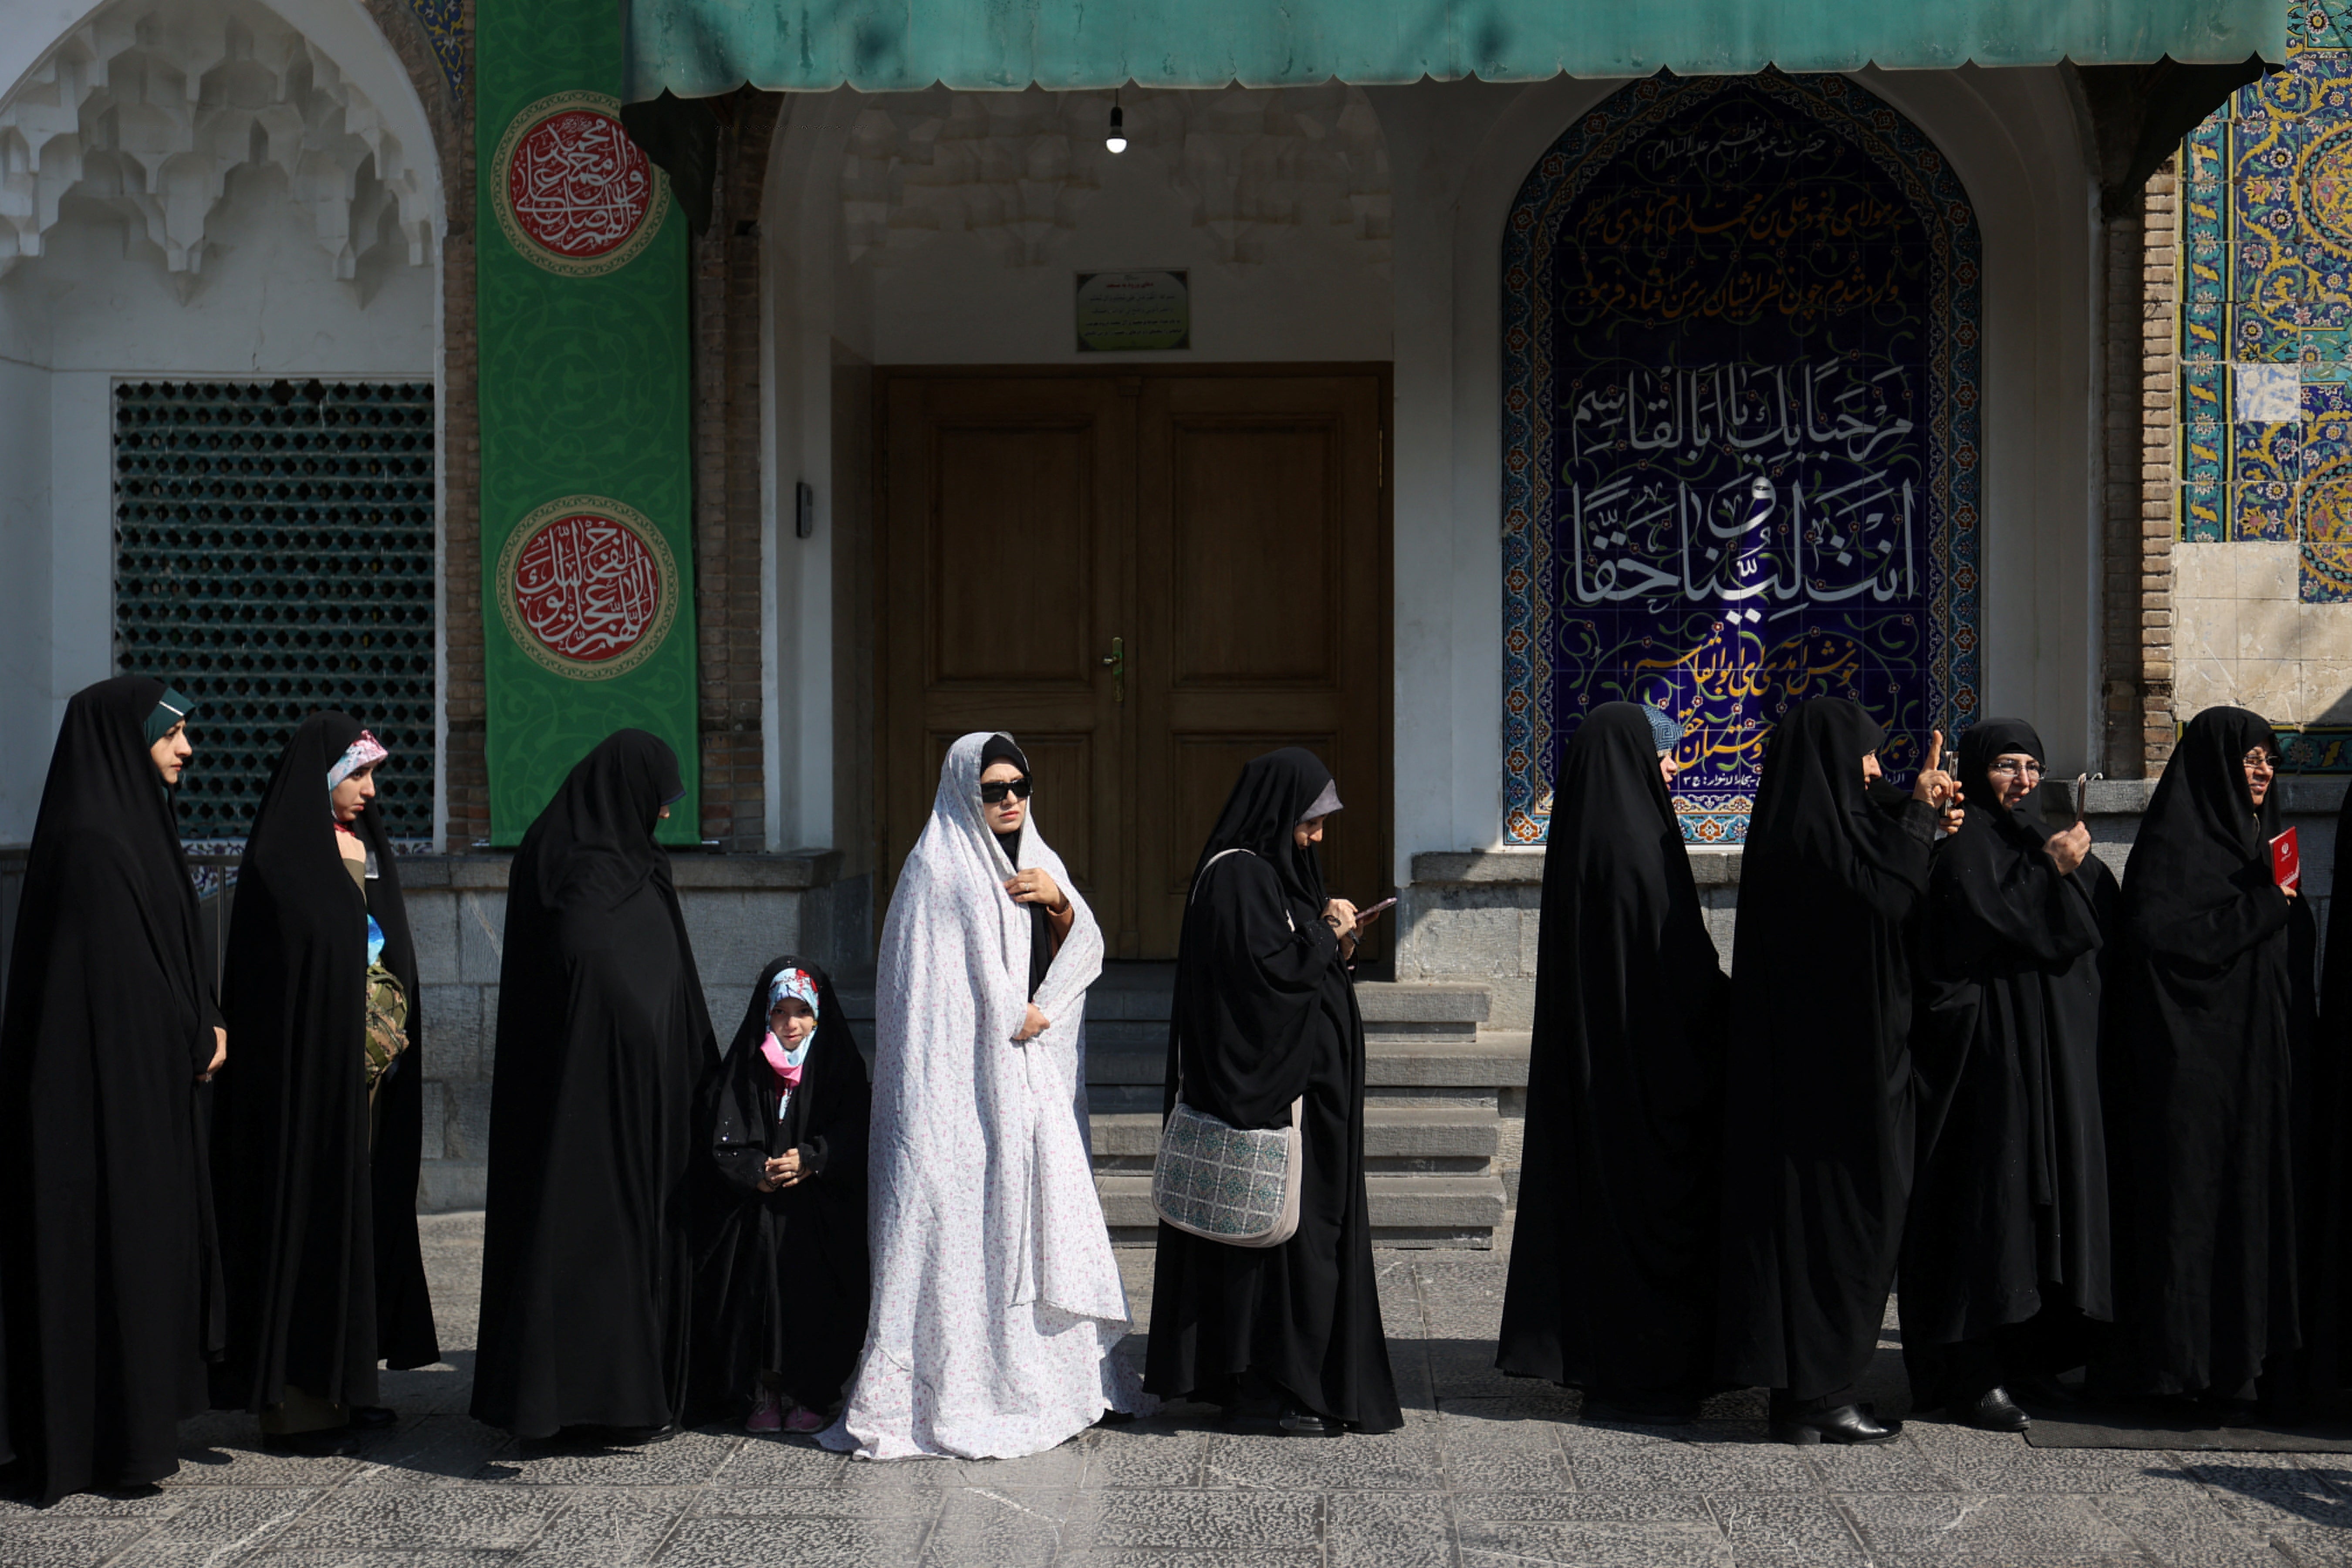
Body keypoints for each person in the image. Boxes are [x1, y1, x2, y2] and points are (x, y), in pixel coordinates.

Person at [825, 732, 1147, 1459]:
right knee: (964, 1240)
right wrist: (1012, 1017)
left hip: (1032, 1091)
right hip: (960, 1095)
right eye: (993, 789)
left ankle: (1054, 1384)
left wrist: (1058, 903)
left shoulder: (1042, 859)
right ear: (964, 790)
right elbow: (924, 1003)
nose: (1007, 801)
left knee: (1042, 1228)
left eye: (1018, 787)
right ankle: (957, 1390)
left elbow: (1083, 947)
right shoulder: (933, 872)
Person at [0, 676, 227, 1503]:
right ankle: (103, 1447)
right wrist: (193, 1037)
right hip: (97, 1117)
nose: (186, 750)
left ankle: (132, 1437)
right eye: (169, 734)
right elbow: (115, 993)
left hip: (139, 1103)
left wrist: (201, 1022)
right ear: (122, 741)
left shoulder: (132, 828)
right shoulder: (94, 842)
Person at [1715, 698, 1961, 1446]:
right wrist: (1917, 818)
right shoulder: (1809, 837)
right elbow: (1884, 896)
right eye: (1865, 756)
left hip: (1843, 1070)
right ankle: (1820, 1394)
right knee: (1843, 1226)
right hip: (1834, 1084)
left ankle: (1811, 1394)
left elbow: (1883, 856)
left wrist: (1922, 812)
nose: (1875, 770)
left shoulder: (1825, 822)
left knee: (1842, 1225)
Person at [1144, 746, 1402, 1436]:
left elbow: (1291, 965)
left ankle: (1290, 1382)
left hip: (1306, 1103)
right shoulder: (1238, 879)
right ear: (1277, 813)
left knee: (1303, 1237)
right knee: (1278, 1243)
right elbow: (1262, 988)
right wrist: (1325, 936)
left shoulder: (1268, 877)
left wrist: (1332, 942)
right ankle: (1269, 1386)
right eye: (1309, 823)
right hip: (1270, 1105)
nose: (1316, 837)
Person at [471, 730, 715, 1440]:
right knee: (581, 1242)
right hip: (579, 1100)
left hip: (650, 1102)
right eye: (658, 799)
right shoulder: (562, 863)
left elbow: (673, 983)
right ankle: (573, 1402)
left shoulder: (643, 868)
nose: (665, 816)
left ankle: (642, 1394)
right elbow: (577, 975)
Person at [210, 714, 438, 1452]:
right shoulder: (284, 863)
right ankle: (298, 1402)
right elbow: (279, 982)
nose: (370, 792)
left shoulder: (367, 849)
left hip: (364, 1083)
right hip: (302, 1091)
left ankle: (351, 1385)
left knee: (360, 1223)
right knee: (305, 1223)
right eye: (358, 776)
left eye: (374, 777)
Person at [1496, 703, 1730, 1419]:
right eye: (1661, 755)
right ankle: (1649, 1376)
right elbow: (1672, 971)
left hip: (1600, 1071)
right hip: (1645, 1072)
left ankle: (1610, 1369)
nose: (1671, 769)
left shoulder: (1588, 832)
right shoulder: (1637, 845)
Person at [1901, 720, 2115, 1431]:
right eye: (2007, 767)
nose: (2022, 781)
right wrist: (2049, 871)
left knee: (2039, 1214)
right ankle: (1973, 1374)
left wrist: (2068, 868)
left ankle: (2032, 1361)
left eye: (2033, 766)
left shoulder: (2039, 841)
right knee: (1989, 1207)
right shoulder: (1965, 846)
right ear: (1977, 770)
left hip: (2048, 1064)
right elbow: (1982, 925)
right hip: (1986, 1068)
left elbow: (2088, 933)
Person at [2097, 706, 2308, 1419]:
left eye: (2270, 759)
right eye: (2248, 757)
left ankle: (2241, 1370)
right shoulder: (2175, 850)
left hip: (2255, 1074)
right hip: (2188, 1079)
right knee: (2187, 1212)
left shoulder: (2263, 848)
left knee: (2250, 1213)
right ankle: (2176, 1370)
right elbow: (2162, 943)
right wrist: (2262, 911)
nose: (2261, 770)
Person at [690, 957, 870, 1434]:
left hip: (817, 1211)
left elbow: (855, 1128)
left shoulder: (836, 1063)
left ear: (818, 1016)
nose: (791, 1025)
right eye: (780, 1013)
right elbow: (724, 1134)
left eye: (801, 1013)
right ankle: (764, 1388)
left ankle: (808, 1391)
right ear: (765, 1016)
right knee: (760, 1292)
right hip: (760, 1209)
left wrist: (814, 1158)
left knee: (814, 1293)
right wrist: (755, 1171)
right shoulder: (749, 1065)